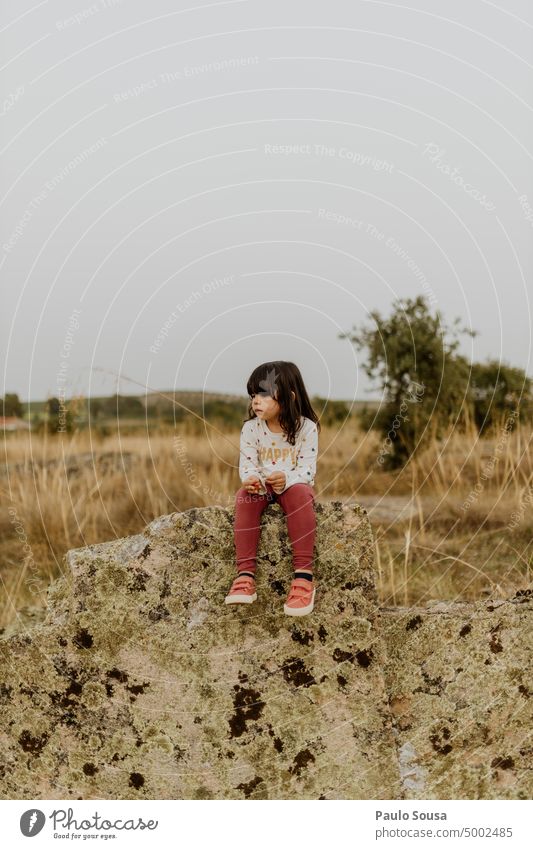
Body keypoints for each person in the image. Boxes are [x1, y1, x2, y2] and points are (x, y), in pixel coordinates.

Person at [225, 361, 321, 616]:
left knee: (301, 495)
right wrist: (252, 479)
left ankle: (303, 578)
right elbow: (247, 464)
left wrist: (287, 479)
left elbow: (308, 470)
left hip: (293, 486)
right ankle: (245, 576)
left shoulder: (306, 428)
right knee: (244, 497)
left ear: (287, 397)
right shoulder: (251, 429)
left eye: (263, 393)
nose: (256, 401)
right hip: (262, 487)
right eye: (253, 395)